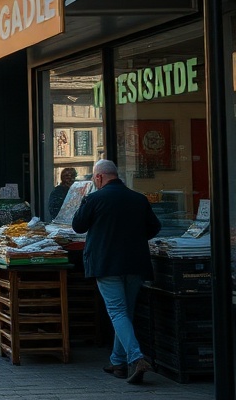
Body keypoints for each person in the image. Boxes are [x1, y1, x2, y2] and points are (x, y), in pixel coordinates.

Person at [72, 159, 161, 384]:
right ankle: (118, 362)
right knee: (125, 313)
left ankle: (136, 357)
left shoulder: (94, 198)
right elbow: (154, 228)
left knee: (117, 312)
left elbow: (78, 226)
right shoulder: (138, 199)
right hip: (135, 264)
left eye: (94, 178)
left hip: (106, 263)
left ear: (99, 177)